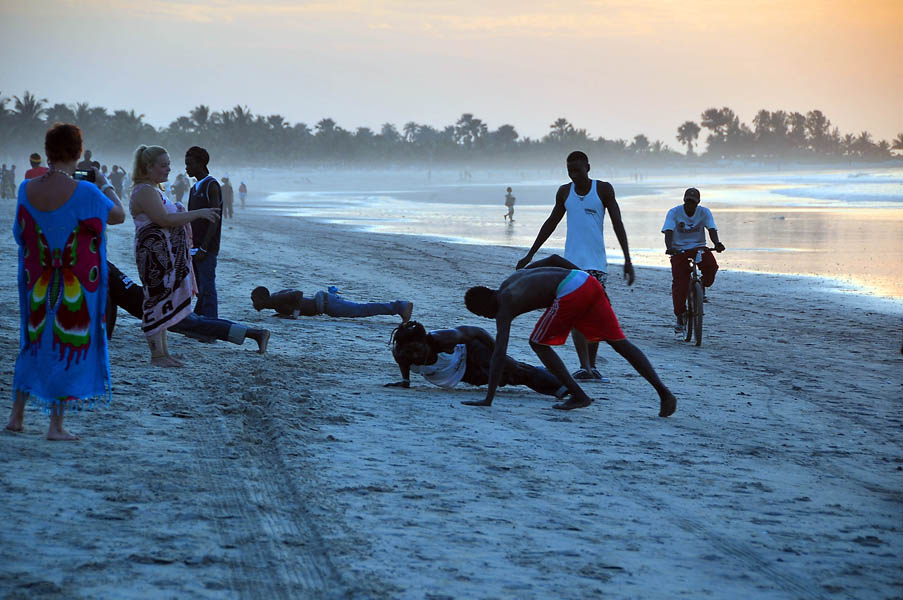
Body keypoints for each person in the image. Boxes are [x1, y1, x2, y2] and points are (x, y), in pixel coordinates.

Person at [7, 123, 126, 440]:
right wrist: (105, 184)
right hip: (77, 285)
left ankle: (16, 416)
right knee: (65, 343)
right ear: (78, 152)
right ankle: (56, 426)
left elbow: (20, 234)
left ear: (48, 152)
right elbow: (118, 215)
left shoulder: (26, 189)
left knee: (33, 343)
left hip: (37, 283)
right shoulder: (86, 192)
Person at [464, 254, 677, 416]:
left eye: (483, 314)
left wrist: (488, 398)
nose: (488, 317)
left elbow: (499, 353)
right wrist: (586, 278)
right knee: (618, 342)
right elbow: (554, 259)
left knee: (537, 343)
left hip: (570, 291)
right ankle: (664, 393)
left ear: (485, 305)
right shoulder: (513, 278)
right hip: (587, 281)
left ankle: (579, 395)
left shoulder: (504, 305)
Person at [516, 151, 635, 383]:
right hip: (569, 264)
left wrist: (627, 259)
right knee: (576, 315)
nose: (573, 175)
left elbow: (617, 223)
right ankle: (584, 366)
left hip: (597, 264)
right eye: (570, 171)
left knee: (595, 315)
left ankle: (592, 366)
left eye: (577, 170)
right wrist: (530, 254)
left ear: (587, 168)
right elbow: (551, 222)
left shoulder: (603, 189)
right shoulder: (564, 192)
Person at [130, 144, 220, 367]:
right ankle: (157, 356)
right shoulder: (144, 191)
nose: (169, 169)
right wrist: (198, 214)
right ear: (148, 167)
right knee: (155, 300)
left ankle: (163, 353)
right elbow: (164, 220)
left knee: (163, 300)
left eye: (168, 164)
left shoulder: (154, 189)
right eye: (163, 165)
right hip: (153, 255)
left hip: (163, 255)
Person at [106, 262, 269, 352]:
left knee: (196, 324)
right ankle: (253, 333)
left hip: (154, 306)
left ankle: (256, 334)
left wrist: (107, 336)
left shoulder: (100, 268)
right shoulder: (105, 264)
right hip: (151, 300)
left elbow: (109, 302)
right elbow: (112, 300)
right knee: (198, 322)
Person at [385, 321, 569, 400]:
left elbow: (478, 332)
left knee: (513, 370)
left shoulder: (444, 339)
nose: (414, 356)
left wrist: (501, 356)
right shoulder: (401, 353)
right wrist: (405, 381)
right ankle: (550, 375)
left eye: (417, 349)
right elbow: (404, 364)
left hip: (472, 351)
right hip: (461, 372)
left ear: (425, 340)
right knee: (507, 379)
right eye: (409, 352)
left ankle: (564, 389)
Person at [662, 187, 725, 332]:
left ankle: (700, 287)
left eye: (693, 202)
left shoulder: (704, 212)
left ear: (698, 202)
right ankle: (680, 315)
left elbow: (711, 229)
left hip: (699, 248)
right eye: (688, 202)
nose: (690, 205)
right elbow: (668, 231)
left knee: (712, 267)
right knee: (680, 285)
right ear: (684, 201)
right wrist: (670, 247)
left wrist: (717, 243)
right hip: (679, 250)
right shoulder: (674, 212)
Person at [185, 146, 223, 318]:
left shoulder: (211, 185)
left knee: (207, 288)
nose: (186, 168)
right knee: (200, 287)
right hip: (195, 246)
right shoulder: (194, 188)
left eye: (189, 164)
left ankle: (212, 323)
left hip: (206, 248)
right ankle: (201, 322)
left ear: (201, 164)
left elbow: (215, 219)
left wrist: (204, 247)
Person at [251, 286, 413, 321]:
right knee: (359, 309)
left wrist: (295, 314)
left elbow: (298, 294)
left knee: (361, 309)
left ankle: (400, 306)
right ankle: (398, 307)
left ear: (263, 297)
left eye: (255, 300)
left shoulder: (276, 299)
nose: (254, 304)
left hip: (328, 304)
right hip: (327, 302)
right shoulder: (275, 302)